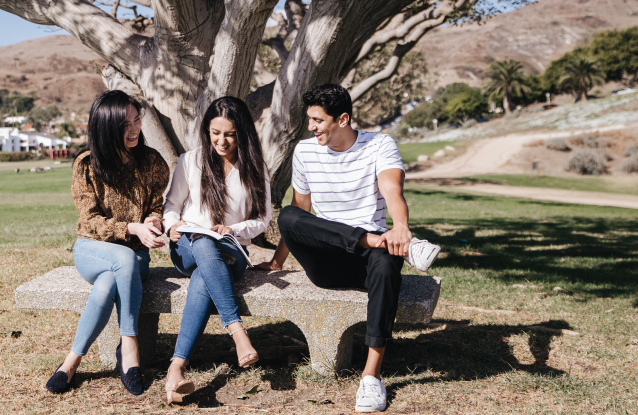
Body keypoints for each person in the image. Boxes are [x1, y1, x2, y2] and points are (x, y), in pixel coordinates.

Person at [256, 84, 438, 413]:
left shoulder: (379, 144)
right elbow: (301, 213)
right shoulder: (305, 151)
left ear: (342, 119)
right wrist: (276, 260)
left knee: (385, 265)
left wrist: (399, 228)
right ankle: (380, 241)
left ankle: (371, 376)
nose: (311, 127)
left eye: (318, 120)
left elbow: (392, 190)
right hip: (327, 261)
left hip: (370, 260)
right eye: (309, 119)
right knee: (290, 216)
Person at [45, 90, 170, 395]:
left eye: (136, 119)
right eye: (124, 124)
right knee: (121, 260)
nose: (134, 128)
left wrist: (153, 222)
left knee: (109, 281)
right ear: (105, 127)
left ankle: (71, 362)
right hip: (92, 251)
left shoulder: (151, 161)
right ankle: (130, 346)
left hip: (135, 257)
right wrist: (132, 228)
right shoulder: (86, 165)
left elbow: (157, 206)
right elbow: (88, 222)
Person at [162, 96, 272, 404]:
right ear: (206, 131)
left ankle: (175, 371)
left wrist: (233, 229)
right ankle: (237, 331)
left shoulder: (254, 167)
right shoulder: (191, 160)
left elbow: (263, 218)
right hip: (187, 246)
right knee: (203, 241)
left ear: (242, 133)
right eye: (215, 133)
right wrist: (172, 224)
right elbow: (171, 204)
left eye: (230, 134)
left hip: (231, 251)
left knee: (204, 276)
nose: (221, 141)